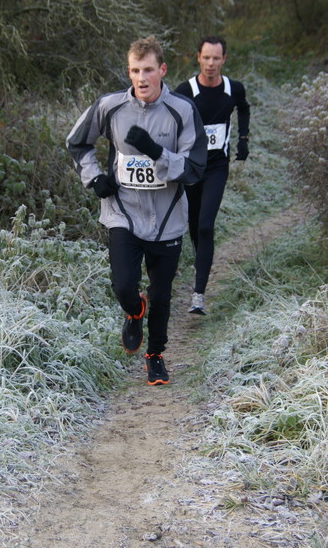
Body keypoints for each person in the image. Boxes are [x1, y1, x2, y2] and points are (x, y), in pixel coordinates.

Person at [67, 35, 207, 385]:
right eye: (134, 70)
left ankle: (155, 356)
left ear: (162, 70)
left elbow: (194, 169)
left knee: (161, 295)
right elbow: (78, 142)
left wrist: (158, 153)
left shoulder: (182, 111)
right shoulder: (110, 106)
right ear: (128, 72)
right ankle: (133, 310)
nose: (141, 78)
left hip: (167, 219)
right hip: (122, 213)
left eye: (148, 70)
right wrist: (95, 178)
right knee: (125, 286)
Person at [175, 35, 251, 315]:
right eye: (206, 57)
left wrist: (243, 137)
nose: (210, 63)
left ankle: (198, 294)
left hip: (217, 167)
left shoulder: (233, 88)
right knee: (195, 226)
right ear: (198, 58)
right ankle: (201, 261)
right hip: (191, 167)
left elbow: (243, 107)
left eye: (216, 58)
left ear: (224, 60)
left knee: (206, 225)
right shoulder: (186, 90)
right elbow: (169, 118)